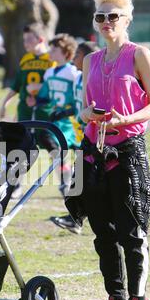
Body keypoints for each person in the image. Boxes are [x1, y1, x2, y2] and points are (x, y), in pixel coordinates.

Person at [65, 0, 150, 300]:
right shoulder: (90, 59)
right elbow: (83, 107)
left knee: (131, 231)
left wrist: (127, 119)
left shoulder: (139, 54)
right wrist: (88, 113)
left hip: (128, 151)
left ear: (127, 20)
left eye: (113, 16)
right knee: (102, 233)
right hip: (94, 152)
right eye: (100, 16)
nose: (106, 22)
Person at [0, 22, 55, 198]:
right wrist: (5, 102)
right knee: (22, 148)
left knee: (53, 146)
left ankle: (67, 180)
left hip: (44, 111)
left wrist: (39, 92)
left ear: (41, 39)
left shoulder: (52, 59)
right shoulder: (25, 60)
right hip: (25, 109)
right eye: (24, 40)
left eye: (29, 40)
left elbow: (54, 86)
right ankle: (16, 184)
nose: (26, 44)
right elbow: (17, 85)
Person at [50, 41, 99, 234]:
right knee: (82, 178)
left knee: (85, 178)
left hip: (95, 136)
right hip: (83, 135)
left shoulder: (92, 77)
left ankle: (76, 218)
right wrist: (64, 112)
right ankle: (75, 218)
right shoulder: (79, 77)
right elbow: (77, 104)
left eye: (78, 54)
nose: (75, 57)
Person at [28, 33, 79, 196]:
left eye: (54, 49)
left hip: (72, 120)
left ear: (66, 52)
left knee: (79, 153)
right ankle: (65, 182)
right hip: (58, 119)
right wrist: (36, 100)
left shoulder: (73, 72)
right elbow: (45, 96)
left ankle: (75, 181)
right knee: (55, 150)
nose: (50, 52)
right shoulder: (49, 73)